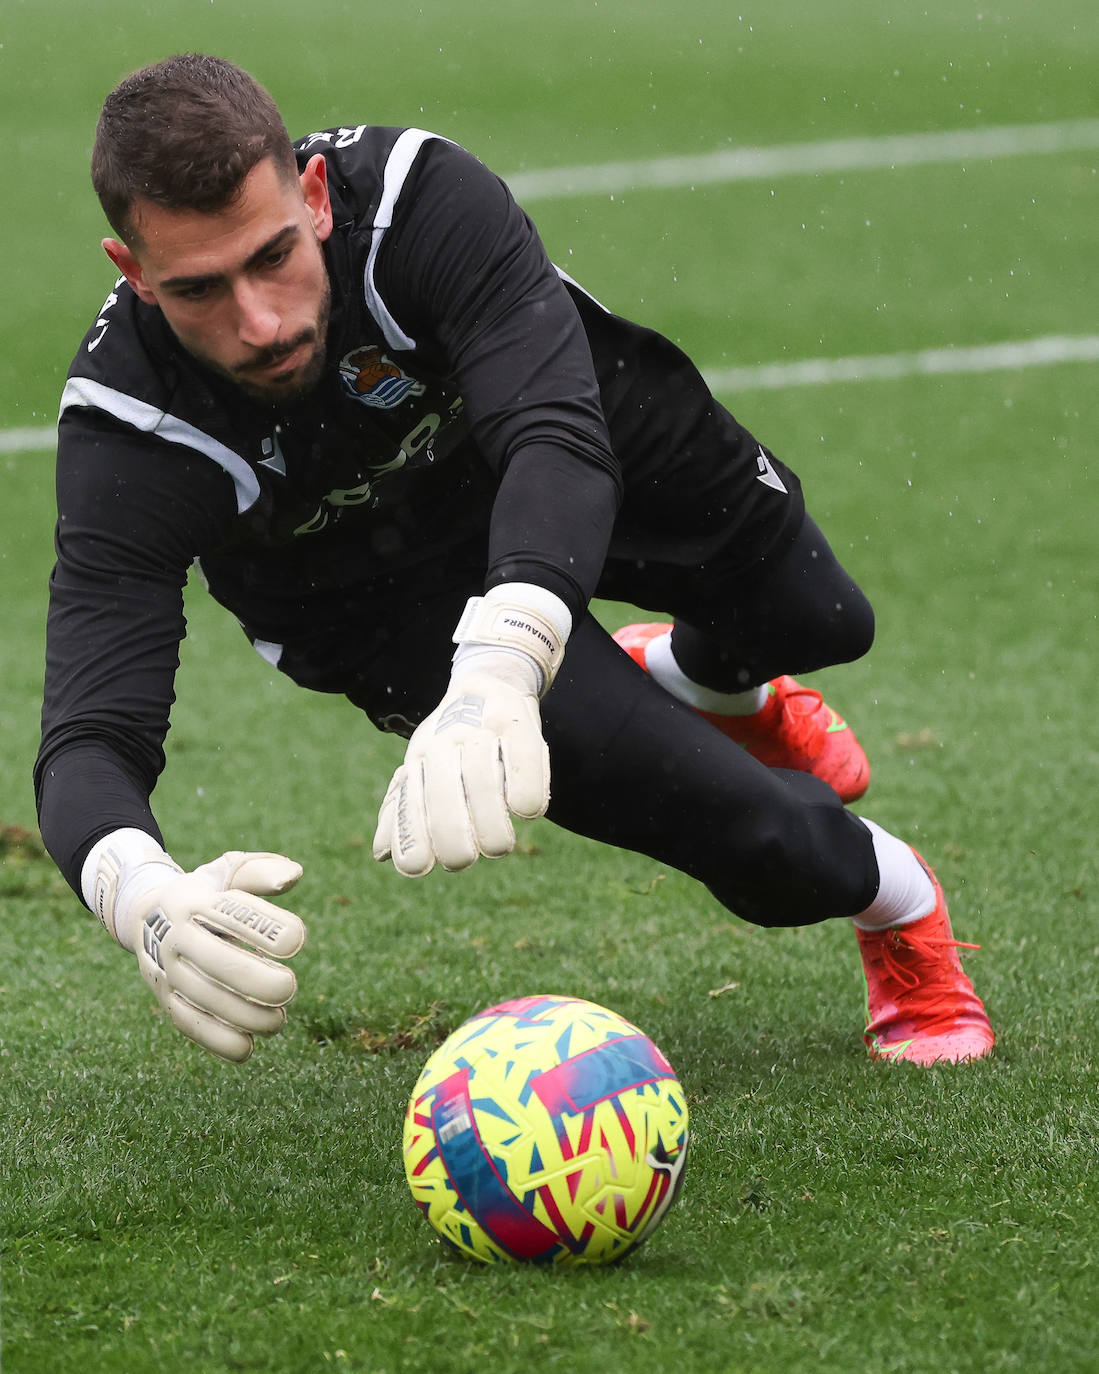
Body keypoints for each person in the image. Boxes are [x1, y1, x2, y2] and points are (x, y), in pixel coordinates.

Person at [36, 54, 994, 1068]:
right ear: (133, 272)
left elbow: (554, 437)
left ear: (313, 197)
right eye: (197, 289)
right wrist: (138, 894)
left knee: (820, 619)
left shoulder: (418, 199)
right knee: (760, 838)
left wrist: (504, 662)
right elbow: (90, 733)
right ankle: (901, 905)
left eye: (272, 256)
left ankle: (707, 679)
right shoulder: (130, 428)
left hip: (548, 439)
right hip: (370, 595)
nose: (260, 321)